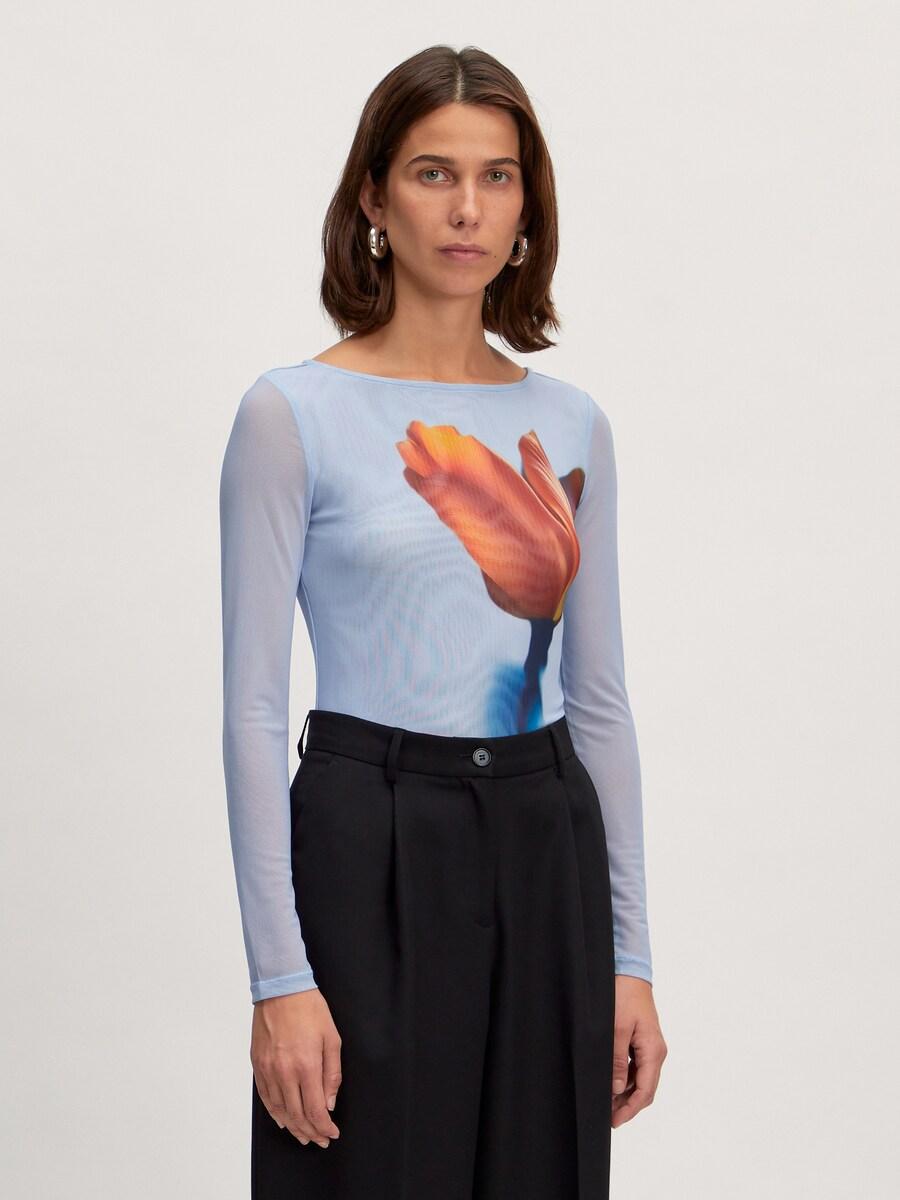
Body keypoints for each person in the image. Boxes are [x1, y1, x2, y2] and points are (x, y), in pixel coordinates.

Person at [219, 43, 667, 1200]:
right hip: (367, 838)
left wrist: (629, 956)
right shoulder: (292, 415)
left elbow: (600, 700)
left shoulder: (572, 421)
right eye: (433, 173)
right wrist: (279, 979)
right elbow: (254, 711)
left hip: (545, 834)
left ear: (526, 208)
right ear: (374, 198)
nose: (468, 208)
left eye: (497, 176)